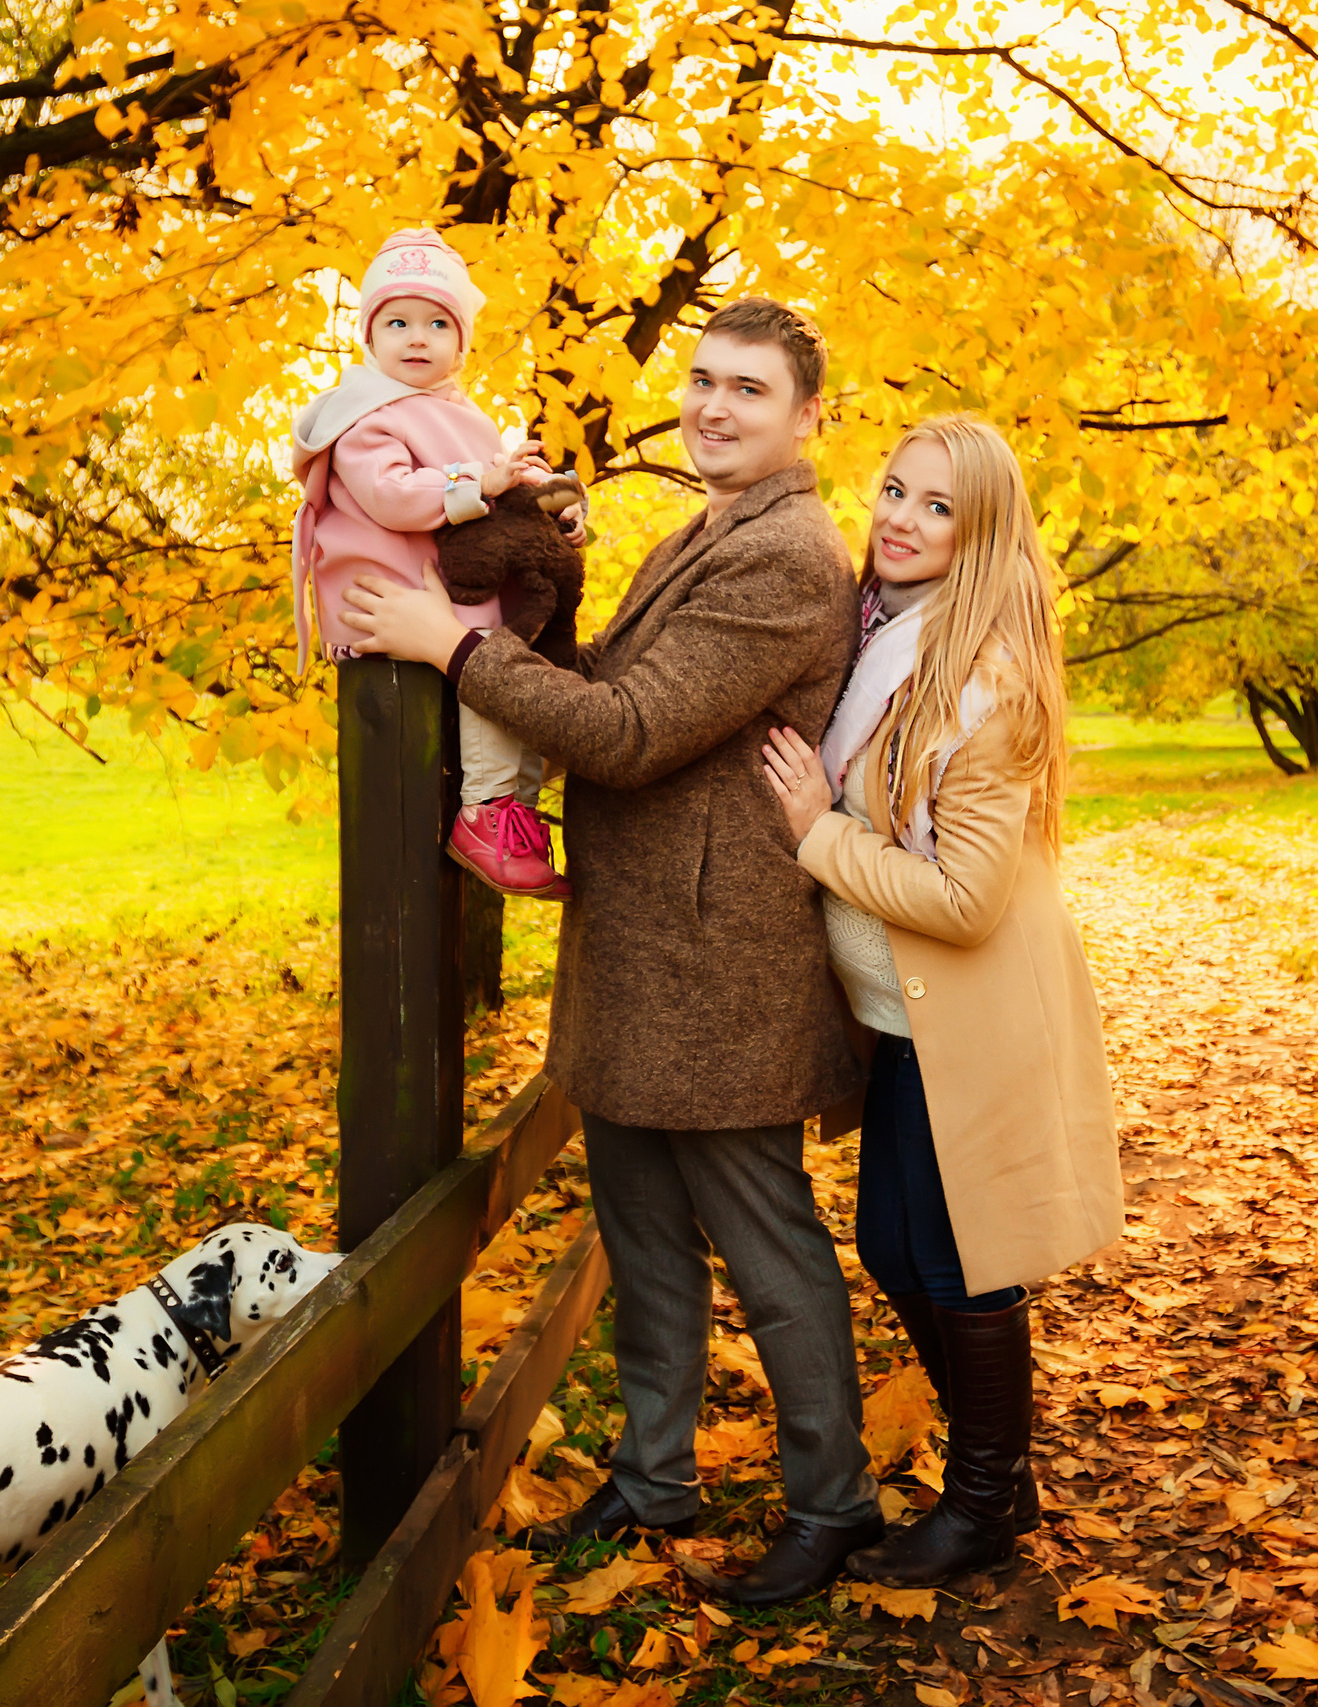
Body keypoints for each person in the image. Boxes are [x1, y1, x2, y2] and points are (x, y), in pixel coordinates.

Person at [341, 298, 883, 1604]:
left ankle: (835, 1500)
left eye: (747, 389)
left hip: (722, 966)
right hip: (640, 948)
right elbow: (595, 684)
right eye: (701, 381)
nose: (710, 405)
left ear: (808, 416)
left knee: (767, 1242)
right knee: (641, 1234)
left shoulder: (790, 557)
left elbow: (633, 731)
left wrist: (449, 644)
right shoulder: (702, 531)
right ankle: (654, 1474)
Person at [760, 414, 1124, 1587]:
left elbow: (964, 899)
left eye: (938, 507)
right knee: (895, 1246)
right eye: (896, 492)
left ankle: (983, 1504)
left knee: (954, 1262)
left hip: (961, 1018)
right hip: (901, 1021)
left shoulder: (986, 681)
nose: (901, 521)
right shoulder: (888, 637)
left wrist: (815, 833)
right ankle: (996, 1472)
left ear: (983, 534)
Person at [290, 227, 572, 899]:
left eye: (437, 323)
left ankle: (516, 810)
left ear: (461, 341)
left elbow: (499, 488)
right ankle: (487, 809)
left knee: (512, 671)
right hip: (394, 595)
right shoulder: (365, 416)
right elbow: (391, 497)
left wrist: (550, 511)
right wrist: (480, 484)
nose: (417, 337)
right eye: (397, 321)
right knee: (483, 664)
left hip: (448, 587)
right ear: (368, 336)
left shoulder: (454, 412)